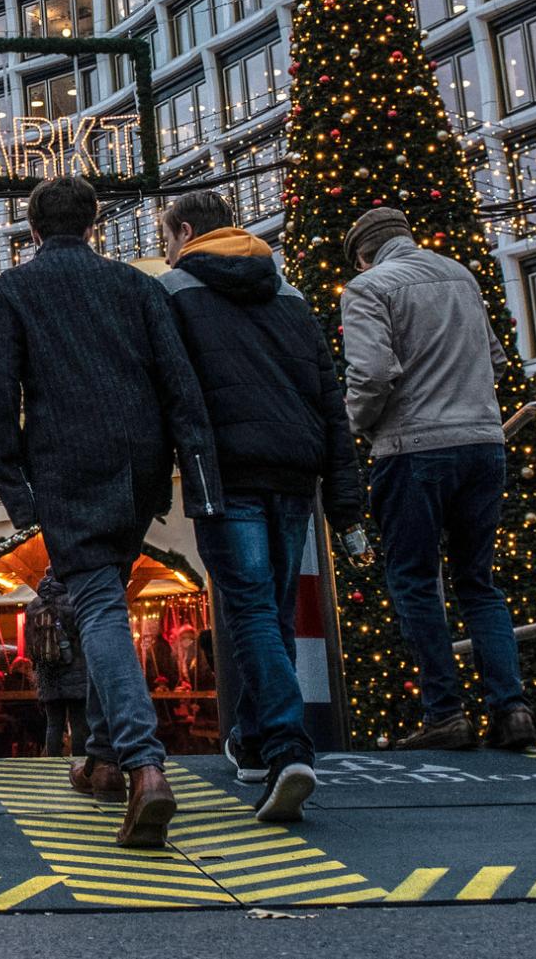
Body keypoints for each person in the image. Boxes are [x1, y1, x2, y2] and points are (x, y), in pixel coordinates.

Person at [0, 175, 223, 848]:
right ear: (92, 224)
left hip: (66, 464)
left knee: (95, 602)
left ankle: (146, 766)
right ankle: (102, 758)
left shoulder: (12, 291)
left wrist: (15, 488)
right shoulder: (139, 286)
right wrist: (194, 477)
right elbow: (179, 386)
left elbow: (1, 398)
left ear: (33, 230)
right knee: (104, 597)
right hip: (139, 462)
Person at [157, 189, 368, 818]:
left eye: (168, 237)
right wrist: (346, 496)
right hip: (296, 468)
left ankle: (286, 746)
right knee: (268, 610)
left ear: (186, 231)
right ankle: (251, 743)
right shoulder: (291, 293)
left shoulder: (173, 292)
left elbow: (166, 384)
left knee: (247, 608)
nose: (167, 250)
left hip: (227, 467)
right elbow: (330, 396)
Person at [340, 207, 536, 751]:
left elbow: (373, 373)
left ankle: (445, 712)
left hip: (413, 450)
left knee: (415, 579)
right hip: (484, 444)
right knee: (478, 581)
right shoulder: (461, 275)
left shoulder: (366, 288)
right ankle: (511, 706)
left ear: (363, 253)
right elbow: (495, 361)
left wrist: (351, 424)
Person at [29, 573, 90, 759]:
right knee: (78, 722)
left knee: (53, 723)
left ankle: (53, 763)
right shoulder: (74, 601)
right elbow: (84, 635)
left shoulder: (33, 605)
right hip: (75, 668)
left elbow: (30, 641)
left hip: (47, 671)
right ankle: (79, 762)